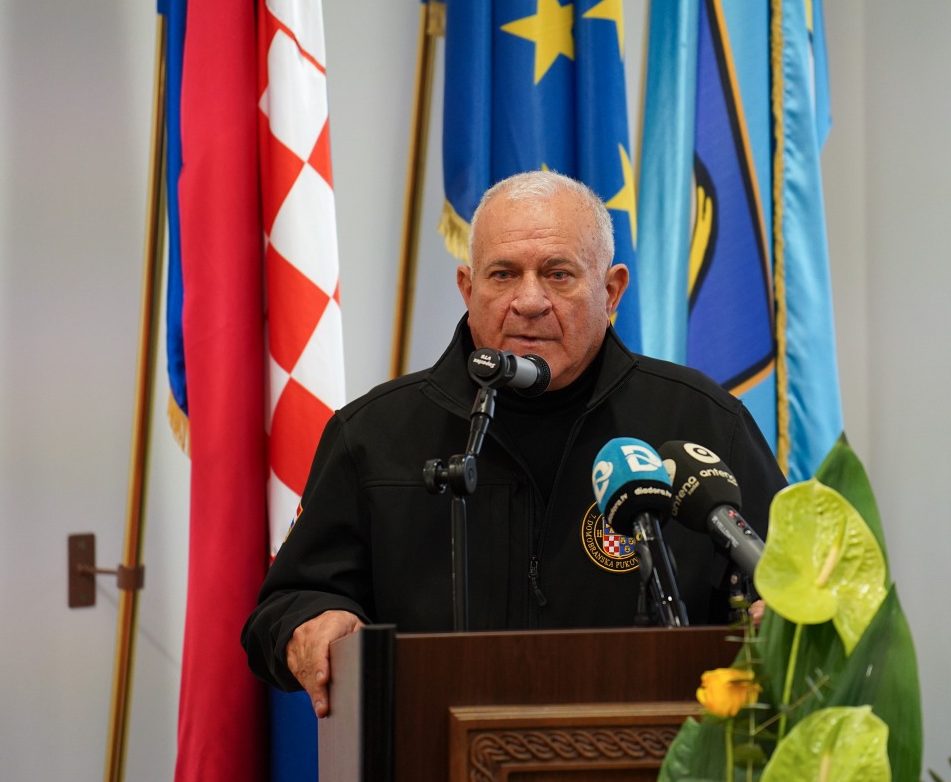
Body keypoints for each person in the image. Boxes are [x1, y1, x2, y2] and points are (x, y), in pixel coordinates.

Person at [241, 170, 788, 717]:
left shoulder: (701, 423)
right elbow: (287, 603)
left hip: (659, 751)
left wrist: (784, 616)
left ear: (611, 291)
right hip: (431, 750)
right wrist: (312, 622)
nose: (529, 301)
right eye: (503, 274)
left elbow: (785, 577)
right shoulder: (374, 434)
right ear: (468, 288)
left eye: (558, 274)